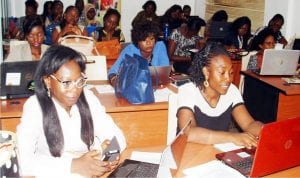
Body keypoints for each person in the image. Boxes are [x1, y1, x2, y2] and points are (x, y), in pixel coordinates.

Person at [17, 45, 126, 177]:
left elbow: (117, 136)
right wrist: (74, 165)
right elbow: (24, 163)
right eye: (66, 83)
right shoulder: (35, 107)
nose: (75, 90)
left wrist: (107, 157)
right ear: (48, 81)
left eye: (79, 81)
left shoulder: (88, 98)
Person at [177, 42, 263, 148]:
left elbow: (249, 124)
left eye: (231, 73)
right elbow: (188, 133)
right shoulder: (188, 91)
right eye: (222, 73)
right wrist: (232, 137)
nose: (228, 79)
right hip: (189, 153)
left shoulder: (231, 91)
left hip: (219, 153)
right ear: (206, 72)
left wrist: (266, 131)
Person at [108, 21, 170, 85]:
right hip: (134, 88)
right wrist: (115, 81)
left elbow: (164, 72)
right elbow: (112, 72)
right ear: (137, 41)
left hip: (157, 87)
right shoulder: (130, 50)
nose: (149, 43)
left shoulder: (160, 47)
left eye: (151, 39)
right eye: (144, 40)